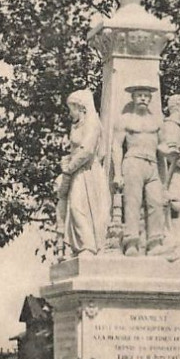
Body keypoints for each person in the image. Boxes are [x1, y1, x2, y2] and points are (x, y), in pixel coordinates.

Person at [111, 85, 166, 256]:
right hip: (133, 161)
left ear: (150, 99)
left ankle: (155, 242)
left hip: (152, 164)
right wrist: (118, 173)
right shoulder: (125, 119)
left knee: (156, 202)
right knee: (132, 202)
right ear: (133, 98)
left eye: (146, 95)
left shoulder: (157, 121)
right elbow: (117, 146)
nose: (143, 98)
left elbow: (162, 148)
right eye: (139, 95)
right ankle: (131, 243)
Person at [56, 89, 109, 257]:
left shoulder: (92, 124)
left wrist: (69, 167)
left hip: (89, 172)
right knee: (75, 208)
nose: (69, 113)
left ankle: (88, 246)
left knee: (81, 208)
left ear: (81, 107)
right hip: (77, 172)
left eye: (71, 108)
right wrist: (67, 162)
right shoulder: (78, 125)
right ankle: (81, 247)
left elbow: (87, 150)